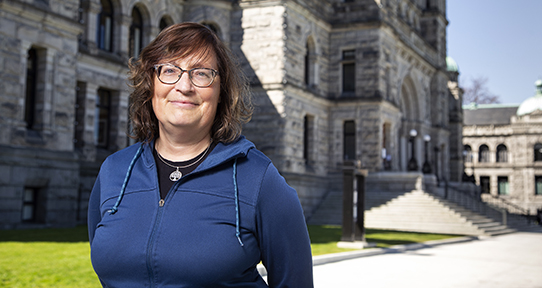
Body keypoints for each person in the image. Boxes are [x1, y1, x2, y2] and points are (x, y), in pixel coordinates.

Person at [87, 22, 313, 287]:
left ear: (221, 92)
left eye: (201, 74)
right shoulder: (114, 171)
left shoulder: (258, 179)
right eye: (169, 70)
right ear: (151, 85)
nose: (184, 86)